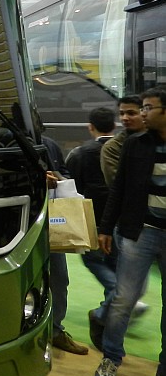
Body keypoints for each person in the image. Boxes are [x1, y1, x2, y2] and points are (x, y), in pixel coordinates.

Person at [94, 87, 166, 376]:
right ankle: (111, 357)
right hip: (140, 233)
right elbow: (119, 189)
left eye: (148, 108)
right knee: (124, 299)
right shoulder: (135, 144)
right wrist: (105, 228)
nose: (143, 113)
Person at [65, 107, 116, 350]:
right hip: (118, 222)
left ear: (90, 127)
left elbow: (72, 187)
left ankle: (110, 303)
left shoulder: (80, 153)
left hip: (90, 220)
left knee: (96, 263)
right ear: (114, 126)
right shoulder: (124, 150)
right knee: (115, 267)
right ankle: (109, 316)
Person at [44, 132, 89, 355]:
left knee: (59, 279)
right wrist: (37, 179)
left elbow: (65, 172)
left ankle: (55, 331)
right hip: (19, 226)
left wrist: (58, 178)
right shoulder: (6, 142)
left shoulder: (50, 144)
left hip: (54, 223)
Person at [101, 95, 144, 188]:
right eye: (121, 113)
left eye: (131, 113)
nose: (125, 118)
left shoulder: (158, 140)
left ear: (145, 113)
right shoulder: (113, 147)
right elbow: (117, 183)